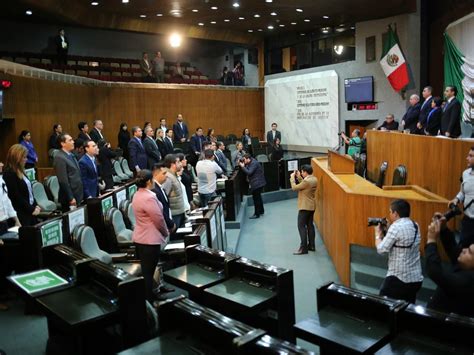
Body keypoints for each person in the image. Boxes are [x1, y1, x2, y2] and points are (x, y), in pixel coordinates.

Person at [424, 213, 474, 317]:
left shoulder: (469, 281)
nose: (464, 250)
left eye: (469, 252)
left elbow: (435, 272)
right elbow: (454, 250)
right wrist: (443, 228)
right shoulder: (468, 266)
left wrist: (431, 240)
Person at [374, 199, 423, 303]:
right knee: (407, 309)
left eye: (390, 212)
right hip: (415, 279)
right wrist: (388, 230)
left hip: (398, 279)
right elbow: (402, 243)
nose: (390, 214)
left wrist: (378, 234)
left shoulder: (395, 227)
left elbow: (381, 249)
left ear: (395, 213)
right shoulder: (415, 225)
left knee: (382, 305)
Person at [132, 169, 169, 302]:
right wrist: (166, 232)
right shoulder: (149, 197)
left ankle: (151, 296)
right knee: (148, 273)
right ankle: (149, 300)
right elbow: (158, 219)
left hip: (140, 239)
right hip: (150, 240)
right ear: (149, 181)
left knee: (147, 271)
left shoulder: (137, 195)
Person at [0, 161, 21, 312]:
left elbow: (6, 201)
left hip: (3, 223)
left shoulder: (0, 179)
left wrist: (16, 219)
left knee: (6, 259)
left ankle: (5, 291)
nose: (1, 164)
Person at [3, 144, 41, 226]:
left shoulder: (21, 171)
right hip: (21, 214)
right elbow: (16, 197)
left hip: (29, 211)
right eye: (24, 157)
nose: (26, 160)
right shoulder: (9, 174)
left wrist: (36, 205)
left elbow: (29, 191)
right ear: (17, 158)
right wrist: (31, 209)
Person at [449, 147, 474, 248]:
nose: (467, 158)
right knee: (463, 252)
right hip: (468, 221)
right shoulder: (465, 174)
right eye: (468, 155)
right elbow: (462, 192)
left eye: (471, 156)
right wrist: (456, 199)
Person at [290, 165, 317, 255]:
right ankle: (312, 245)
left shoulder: (307, 181)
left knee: (301, 226)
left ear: (305, 172)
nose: (301, 173)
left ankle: (303, 248)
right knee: (310, 225)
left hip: (304, 207)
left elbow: (294, 188)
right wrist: (299, 176)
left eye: (302, 172)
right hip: (311, 206)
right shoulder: (314, 179)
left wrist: (292, 178)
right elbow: (304, 185)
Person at [54, 133, 84, 211]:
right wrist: (70, 198)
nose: (73, 142)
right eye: (70, 140)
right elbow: (63, 180)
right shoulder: (59, 157)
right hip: (69, 198)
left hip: (78, 194)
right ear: (63, 143)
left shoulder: (71, 155)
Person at [162, 154, 186, 228]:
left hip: (180, 211)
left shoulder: (173, 175)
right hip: (174, 214)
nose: (181, 164)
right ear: (173, 164)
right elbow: (164, 197)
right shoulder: (168, 178)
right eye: (178, 162)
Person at [239, 154, 266, 219]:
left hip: (257, 183)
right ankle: (261, 211)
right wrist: (244, 165)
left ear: (248, 158)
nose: (244, 161)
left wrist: (242, 167)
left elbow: (249, 172)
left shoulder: (254, 163)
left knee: (256, 199)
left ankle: (257, 214)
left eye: (244, 159)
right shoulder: (251, 162)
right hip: (258, 182)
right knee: (258, 197)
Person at [152, 163, 176, 235]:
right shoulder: (154, 190)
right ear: (155, 175)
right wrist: (170, 224)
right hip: (164, 227)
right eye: (164, 173)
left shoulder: (160, 187)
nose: (166, 176)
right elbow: (161, 211)